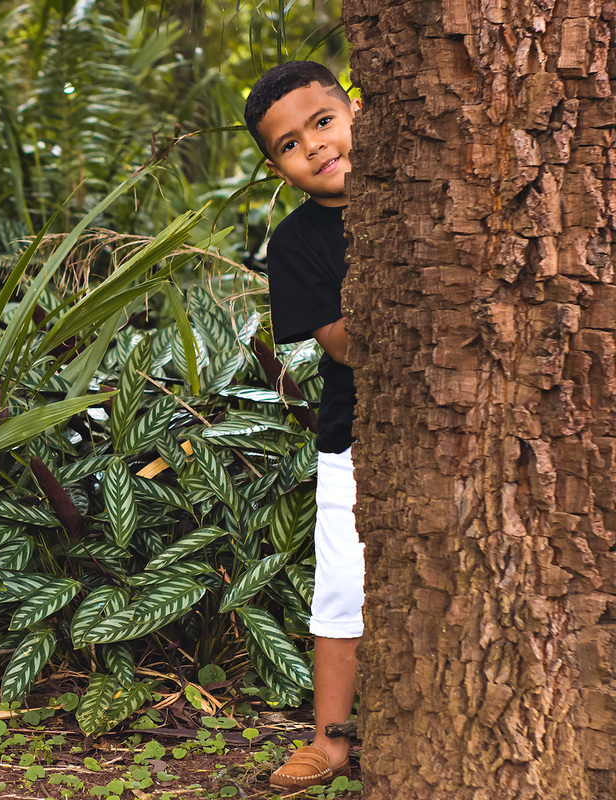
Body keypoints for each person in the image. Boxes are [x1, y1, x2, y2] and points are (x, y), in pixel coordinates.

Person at [243, 61, 363, 791]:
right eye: (291, 144)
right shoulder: (294, 243)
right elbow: (346, 343)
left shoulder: (435, 194)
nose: (315, 146)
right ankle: (330, 742)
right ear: (277, 168)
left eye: (323, 122)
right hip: (355, 435)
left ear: (354, 110)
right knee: (341, 588)